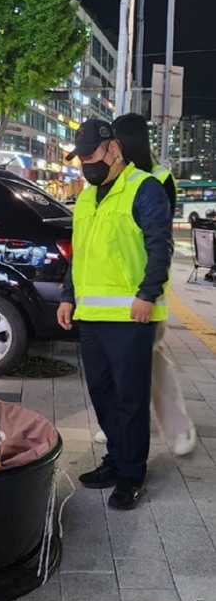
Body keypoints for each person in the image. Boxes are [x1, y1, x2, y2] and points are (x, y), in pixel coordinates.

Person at [57, 119, 174, 510]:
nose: (86, 165)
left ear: (113, 149)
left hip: (131, 316)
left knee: (130, 398)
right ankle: (115, 458)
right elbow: (79, 255)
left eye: (91, 156)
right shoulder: (87, 198)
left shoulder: (144, 188)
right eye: (81, 159)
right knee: (103, 393)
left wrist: (148, 293)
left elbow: (161, 246)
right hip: (91, 316)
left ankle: (131, 475)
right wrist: (67, 297)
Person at [90, 113, 195, 457]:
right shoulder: (111, 182)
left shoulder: (154, 181)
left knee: (150, 362)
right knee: (129, 368)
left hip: (145, 295)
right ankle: (122, 431)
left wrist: (147, 292)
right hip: (116, 297)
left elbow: (158, 241)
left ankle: (176, 430)